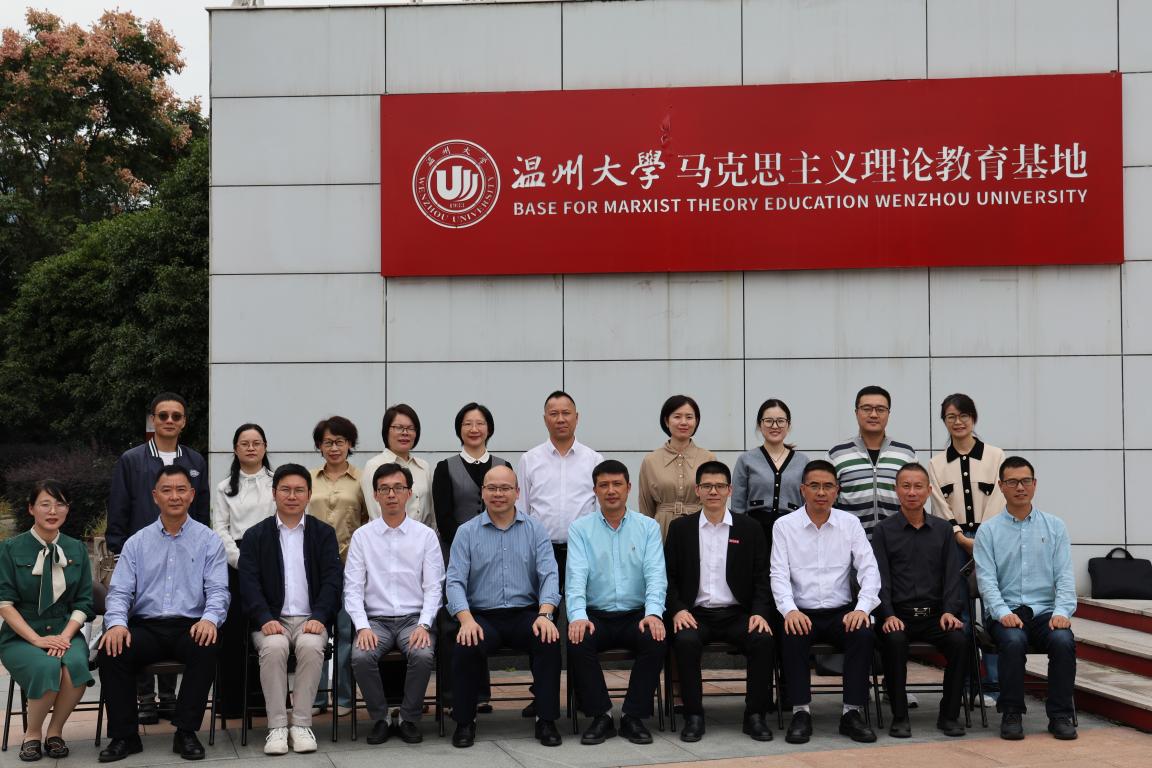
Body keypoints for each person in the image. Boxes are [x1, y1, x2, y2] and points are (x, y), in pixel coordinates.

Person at [96, 465, 229, 763]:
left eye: (181, 490)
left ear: (191, 495)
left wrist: (210, 619)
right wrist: (116, 624)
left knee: (207, 644)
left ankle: (185, 732)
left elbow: (218, 590)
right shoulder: (137, 542)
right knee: (112, 649)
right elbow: (119, 591)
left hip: (190, 625)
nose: (174, 496)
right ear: (155, 496)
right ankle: (125, 736)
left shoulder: (209, 540)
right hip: (146, 627)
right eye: (167, 490)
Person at [107, 392, 209, 724]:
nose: (169, 421)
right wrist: (118, 549)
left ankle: (168, 696)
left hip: (184, 551)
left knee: (175, 614)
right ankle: (145, 698)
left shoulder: (195, 461)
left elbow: (202, 509)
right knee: (141, 620)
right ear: (153, 419)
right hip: (140, 556)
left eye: (176, 416)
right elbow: (119, 506)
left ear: (184, 422)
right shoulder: (132, 459)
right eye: (162, 415)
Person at [445, 465, 563, 748]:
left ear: (517, 493)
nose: (498, 494)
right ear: (483, 492)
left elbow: (550, 575)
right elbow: (454, 581)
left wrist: (545, 614)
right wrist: (466, 619)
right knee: (466, 644)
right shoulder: (466, 532)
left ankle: (546, 719)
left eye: (505, 488)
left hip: (526, 614)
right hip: (481, 617)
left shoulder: (535, 529)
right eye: (492, 488)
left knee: (548, 640)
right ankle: (465, 721)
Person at [771, 459, 880, 745]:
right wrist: (789, 610)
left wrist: (862, 609)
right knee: (791, 632)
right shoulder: (784, 526)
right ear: (803, 489)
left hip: (841, 612)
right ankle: (800, 712)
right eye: (815, 486)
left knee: (863, 632)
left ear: (837, 490)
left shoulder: (850, 524)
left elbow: (870, 570)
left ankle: (852, 712)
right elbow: (778, 574)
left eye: (828, 486)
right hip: (801, 610)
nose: (821, 492)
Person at [664, 461, 774, 743]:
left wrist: (760, 612)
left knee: (762, 639)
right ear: (697, 490)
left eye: (720, 486)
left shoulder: (749, 528)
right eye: (707, 486)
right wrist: (678, 610)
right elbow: (668, 577)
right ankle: (694, 715)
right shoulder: (681, 528)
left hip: (737, 613)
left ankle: (755, 715)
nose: (713, 491)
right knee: (685, 641)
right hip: (695, 613)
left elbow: (762, 577)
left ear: (730, 490)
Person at [238, 464, 342, 755]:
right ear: (274, 493)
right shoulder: (255, 536)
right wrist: (264, 618)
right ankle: (277, 726)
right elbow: (248, 584)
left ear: (309, 494)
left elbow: (333, 581)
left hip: (311, 619)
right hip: (272, 620)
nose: (292, 496)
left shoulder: (323, 533)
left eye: (299, 490)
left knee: (310, 646)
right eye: (285, 489)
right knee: (274, 647)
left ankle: (301, 724)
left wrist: (320, 616)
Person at [975, 456, 1077, 741]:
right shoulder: (988, 531)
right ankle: (1011, 713)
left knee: (1063, 640)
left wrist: (1063, 612)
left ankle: (1060, 715)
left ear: (1035, 484)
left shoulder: (1055, 526)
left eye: (1026, 481)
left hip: (1044, 613)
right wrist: (1001, 613)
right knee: (1012, 640)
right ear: (1001, 486)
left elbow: (1065, 577)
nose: (1020, 487)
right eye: (1012, 482)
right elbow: (986, 582)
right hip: (1005, 612)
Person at [566, 459, 667, 746]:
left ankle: (634, 715)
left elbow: (655, 574)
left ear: (628, 488)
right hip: (595, 615)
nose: (611, 490)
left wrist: (654, 613)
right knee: (577, 639)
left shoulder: (647, 527)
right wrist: (577, 615)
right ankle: (601, 716)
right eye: (604, 485)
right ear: (595, 490)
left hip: (636, 614)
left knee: (656, 638)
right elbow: (575, 576)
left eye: (617, 484)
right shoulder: (580, 528)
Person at [346, 463, 443, 745]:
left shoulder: (425, 536)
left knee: (422, 655)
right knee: (360, 657)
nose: (391, 494)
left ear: (409, 493)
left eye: (398, 488)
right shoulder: (362, 536)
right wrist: (362, 627)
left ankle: (409, 718)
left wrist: (424, 624)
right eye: (384, 489)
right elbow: (352, 588)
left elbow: (434, 587)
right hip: (375, 621)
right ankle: (380, 718)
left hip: (414, 618)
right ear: (375, 495)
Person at [871, 463, 968, 739]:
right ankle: (900, 716)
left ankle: (949, 715)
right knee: (894, 641)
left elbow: (952, 576)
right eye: (906, 486)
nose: (912, 492)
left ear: (928, 490)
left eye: (918, 486)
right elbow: (879, 578)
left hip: (936, 616)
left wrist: (950, 611)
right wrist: (887, 614)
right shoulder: (884, 530)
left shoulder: (943, 530)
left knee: (960, 642)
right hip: (898, 616)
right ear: (896, 490)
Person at [0, 481, 95, 762]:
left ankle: (55, 732)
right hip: (21, 635)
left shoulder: (76, 549)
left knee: (75, 666)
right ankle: (32, 734)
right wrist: (37, 639)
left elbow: (84, 603)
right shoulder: (10, 549)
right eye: (45, 504)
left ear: (67, 509)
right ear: (31, 509)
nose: (53, 511)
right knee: (46, 666)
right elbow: (4, 604)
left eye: (60, 504)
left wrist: (65, 636)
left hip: (65, 631)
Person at [928, 392, 1006, 707]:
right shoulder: (936, 464)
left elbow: (1000, 497)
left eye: (964, 416)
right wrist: (960, 537)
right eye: (951, 417)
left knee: (992, 612)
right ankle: (965, 684)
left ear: (974, 418)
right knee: (959, 613)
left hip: (992, 541)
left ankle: (994, 688)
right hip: (954, 542)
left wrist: (982, 538)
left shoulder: (996, 456)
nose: (958, 422)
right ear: (944, 421)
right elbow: (939, 505)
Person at [211, 423, 274, 718]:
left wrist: (264, 561)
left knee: (268, 628)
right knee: (234, 632)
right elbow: (220, 529)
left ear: (265, 447)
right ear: (236, 449)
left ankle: (265, 701)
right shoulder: (224, 487)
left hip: (271, 562)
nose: (251, 448)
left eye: (256, 443)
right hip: (234, 564)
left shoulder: (277, 483)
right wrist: (241, 560)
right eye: (244, 443)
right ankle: (232, 704)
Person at [307, 415, 366, 715]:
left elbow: (368, 521)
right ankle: (316, 698)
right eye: (328, 442)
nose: (334, 448)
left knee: (345, 631)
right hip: (312, 566)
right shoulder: (308, 478)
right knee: (315, 630)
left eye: (340, 442)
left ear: (350, 444)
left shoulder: (362, 480)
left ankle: (343, 697)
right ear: (319, 446)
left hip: (349, 565)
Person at [517, 390, 604, 587]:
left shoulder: (594, 460)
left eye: (566, 413)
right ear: (545, 419)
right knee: (543, 603)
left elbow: (600, 510)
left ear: (577, 417)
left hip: (583, 549)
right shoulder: (529, 459)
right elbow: (522, 508)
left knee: (582, 602)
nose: (560, 419)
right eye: (554, 414)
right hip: (541, 549)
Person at [827, 385, 916, 539]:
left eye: (880, 409)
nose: (873, 414)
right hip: (849, 542)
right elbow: (828, 503)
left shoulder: (906, 454)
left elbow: (916, 499)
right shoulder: (837, 454)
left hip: (899, 541)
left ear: (888, 414)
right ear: (856, 412)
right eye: (867, 409)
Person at [638, 395, 716, 540]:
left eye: (689, 417)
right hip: (662, 529)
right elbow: (646, 508)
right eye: (677, 417)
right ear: (666, 421)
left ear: (696, 421)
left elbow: (715, 500)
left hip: (699, 527)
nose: (683, 422)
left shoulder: (708, 458)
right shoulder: (651, 460)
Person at [432, 402, 510, 547]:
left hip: (499, 547)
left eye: (480, 423)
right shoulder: (445, 468)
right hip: (457, 548)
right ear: (459, 429)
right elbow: (443, 519)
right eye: (467, 424)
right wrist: (468, 547)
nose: (474, 429)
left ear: (489, 428)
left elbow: (509, 511)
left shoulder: (504, 466)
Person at [361, 404, 436, 530]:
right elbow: (376, 513)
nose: (405, 433)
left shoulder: (423, 467)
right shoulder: (374, 465)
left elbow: (431, 511)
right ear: (386, 431)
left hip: (423, 537)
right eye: (399, 428)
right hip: (388, 537)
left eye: (410, 428)